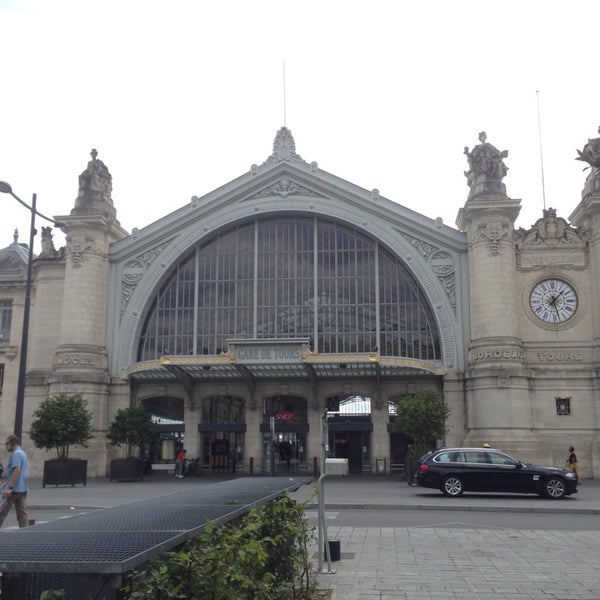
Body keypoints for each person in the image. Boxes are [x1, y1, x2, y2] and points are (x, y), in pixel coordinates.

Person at [0, 434, 30, 528]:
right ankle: (26, 531)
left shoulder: (16, 454)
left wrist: (10, 487)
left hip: (14, 489)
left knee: (2, 510)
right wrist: (6, 482)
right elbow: (16, 472)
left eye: (7, 443)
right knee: (22, 512)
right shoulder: (22, 452)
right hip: (22, 487)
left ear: (14, 443)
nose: (6, 445)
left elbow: (17, 470)